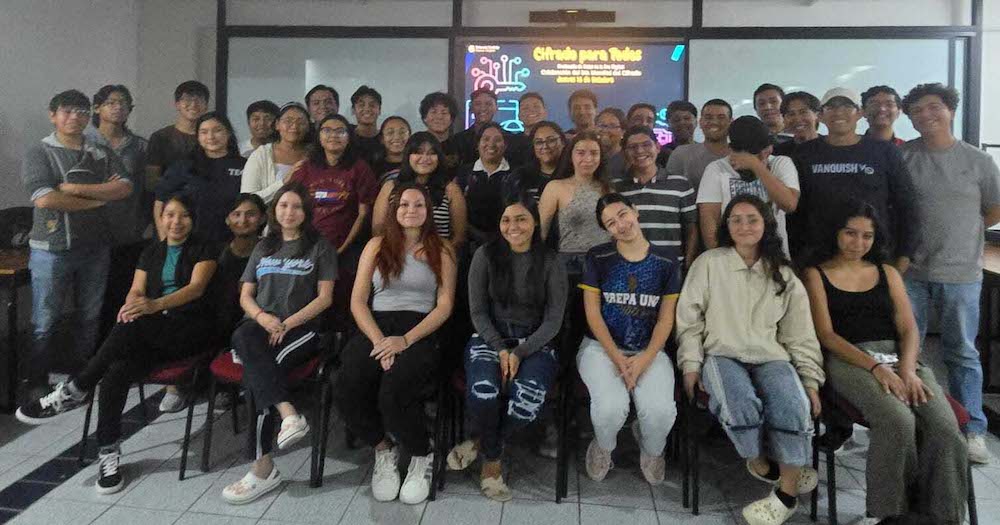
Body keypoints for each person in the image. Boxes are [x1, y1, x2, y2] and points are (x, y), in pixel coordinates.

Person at [16, 195, 217, 495]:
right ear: (160, 218)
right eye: (170, 215)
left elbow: (196, 289)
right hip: (149, 332)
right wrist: (132, 305)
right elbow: (135, 291)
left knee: (131, 325)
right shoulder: (151, 252)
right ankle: (108, 453)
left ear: (193, 219)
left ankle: (76, 388)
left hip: (189, 331)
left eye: (184, 215)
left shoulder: (205, 249)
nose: (176, 222)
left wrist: (152, 305)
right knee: (115, 372)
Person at [802, 202, 968, 524]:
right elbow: (827, 335)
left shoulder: (887, 272)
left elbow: (908, 328)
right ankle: (891, 513)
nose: (858, 242)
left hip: (899, 356)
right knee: (897, 419)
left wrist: (907, 369)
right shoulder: (815, 274)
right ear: (835, 233)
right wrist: (876, 368)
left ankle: (941, 515)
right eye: (850, 233)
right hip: (849, 358)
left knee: (945, 427)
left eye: (867, 236)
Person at [676, 194, 823, 525]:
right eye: (736, 219)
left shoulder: (783, 272)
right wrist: (690, 363)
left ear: (766, 225)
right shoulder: (709, 263)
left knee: (793, 405)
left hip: (771, 355)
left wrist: (810, 380)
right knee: (738, 403)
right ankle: (762, 463)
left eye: (752, 219)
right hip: (721, 353)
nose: (744, 226)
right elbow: (689, 320)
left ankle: (785, 496)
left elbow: (799, 333)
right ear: (726, 225)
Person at [335, 183, 457, 505]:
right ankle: (383, 449)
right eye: (404, 204)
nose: (410, 210)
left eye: (418, 205)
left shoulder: (442, 249)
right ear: (394, 209)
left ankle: (421, 454)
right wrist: (380, 342)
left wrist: (404, 341)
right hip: (376, 326)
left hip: (419, 328)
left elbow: (444, 306)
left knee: (394, 393)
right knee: (347, 386)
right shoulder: (376, 245)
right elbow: (358, 302)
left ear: (428, 211)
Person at [901, 82, 1000, 463]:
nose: (926, 115)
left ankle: (972, 429)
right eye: (917, 111)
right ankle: (919, 423)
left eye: (933, 107)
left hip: (961, 272)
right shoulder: (906, 156)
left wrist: (965, 237)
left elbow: (992, 210)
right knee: (911, 351)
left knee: (961, 352)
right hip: (912, 271)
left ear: (950, 110)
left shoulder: (978, 161)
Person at [446, 194, 567, 501]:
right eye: (506, 220)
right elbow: (477, 313)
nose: (513, 226)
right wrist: (501, 349)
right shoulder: (485, 256)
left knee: (526, 403)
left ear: (535, 222)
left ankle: (481, 444)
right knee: (483, 392)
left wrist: (520, 353)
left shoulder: (552, 261)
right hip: (490, 338)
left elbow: (553, 322)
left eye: (521, 218)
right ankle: (493, 464)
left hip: (536, 342)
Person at [222, 182, 336, 504]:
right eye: (284, 205)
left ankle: (262, 470)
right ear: (275, 211)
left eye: (297, 206)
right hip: (261, 326)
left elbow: (325, 298)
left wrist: (287, 323)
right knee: (244, 337)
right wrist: (263, 318)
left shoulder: (320, 247)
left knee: (258, 373)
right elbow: (245, 294)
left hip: (303, 329)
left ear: (306, 212)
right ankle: (288, 413)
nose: (290, 212)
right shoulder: (263, 247)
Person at [19, 89, 132, 399]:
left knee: (90, 316)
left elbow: (124, 186)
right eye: (67, 111)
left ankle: (80, 380)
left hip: (95, 247)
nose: (75, 117)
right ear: (52, 115)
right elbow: (45, 199)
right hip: (51, 248)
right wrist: (97, 201)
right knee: (45, 319)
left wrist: (77, 189)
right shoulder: (39, 152)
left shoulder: (98, 149)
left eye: (81, 112)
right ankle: (36, 382)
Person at [576, 192, 682, 486]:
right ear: (606, 230)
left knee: (659, 412)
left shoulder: (666, 261)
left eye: (622, 214)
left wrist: (645, 358)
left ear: (635, 211)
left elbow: (665, 318)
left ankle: (651, 450)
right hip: (601, 348)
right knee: (611, 408)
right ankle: (603, 446)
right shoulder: (599, 257)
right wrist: (618, 359)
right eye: (610, 223)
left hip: (650, 349)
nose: (620, 225)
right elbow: (593, 314)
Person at [790, 87, 916, 269]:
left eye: (847, 106)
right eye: (831, 107)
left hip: (872, 256)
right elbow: (795, 211)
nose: (839, 112)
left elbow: (907, 206)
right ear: (821, 116)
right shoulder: (804, 153)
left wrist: (903, 258)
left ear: (860, 113)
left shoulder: (884, 151)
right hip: (816, 258)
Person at [290, 114, 378, 331]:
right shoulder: (306, 167)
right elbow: (291, 204)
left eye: (340, 131)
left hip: (345, 246)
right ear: (319, 136)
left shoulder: (359, 168)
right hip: (307, 246)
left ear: (349, 137)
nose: (334, 136)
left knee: (342, 297)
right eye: (327, 130)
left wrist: (341, 249)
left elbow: (363, 213)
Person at [86, 85, 150, 342]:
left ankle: (117, 350)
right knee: (91, 301)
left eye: (124, 103)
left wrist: (144, 223)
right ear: (97, 107)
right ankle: (89, 359)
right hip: (89, 234)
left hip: (128, 233)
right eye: (112, 102)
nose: (118, 107)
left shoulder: (140, 146)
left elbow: (149, 190)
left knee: (122, 294)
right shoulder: (83, 141)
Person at [698, 116, 799, 256]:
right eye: (758, 152)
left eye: (766, 148)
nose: (767, 152)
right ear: (732, 150)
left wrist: (756, 165)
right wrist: (718, 259)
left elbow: (789, 204)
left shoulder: (781, 163)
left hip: (775, 257)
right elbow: (709, 219)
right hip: (730, 256)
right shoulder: (717, 168)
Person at [155, 112, 246, 246]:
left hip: (232, 244)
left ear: (229, 133)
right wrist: (165, 243)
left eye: (217, 130)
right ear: (197, 136)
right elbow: (160, 204)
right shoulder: (184, 166)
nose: (210, 136)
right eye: (204, 132)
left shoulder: (245, 166)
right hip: (189, 244)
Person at [612, 126, 698, 267]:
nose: (640, 151)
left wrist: (688, 265)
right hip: (628, 268)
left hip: (671, 268)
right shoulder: (616, 188)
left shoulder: (680, 184)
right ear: (624, 153)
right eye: (632, 147)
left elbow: (691, 229)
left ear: (657, 147)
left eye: (646, 145)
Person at [373, 132, 467, 247]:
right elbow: (378, 230)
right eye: (418, 152)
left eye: (432, 153)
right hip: (395, 257)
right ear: (408, 155)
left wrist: (441, 258)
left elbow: (459, 237)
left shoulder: (451, 189)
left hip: (438, 258)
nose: (425, 158)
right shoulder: (390, 187)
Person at [538, 131, 611, 278]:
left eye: (594, 153)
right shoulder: (555, 187)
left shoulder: (609, 189)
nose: (588, 158)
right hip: (569, 265)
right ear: (571, 156)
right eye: (581, 153)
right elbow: (541, 232)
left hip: (606, 262)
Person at [215, 194, 267, 337]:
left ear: (262, 218)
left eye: (250, 214)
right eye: (236, 214)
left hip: (256, 324)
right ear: (227, 219)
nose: (242, 220)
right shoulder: (216, 253)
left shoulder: (271, 254)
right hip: (217, 324)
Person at [145, 80, 209, 194]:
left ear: (206, 106)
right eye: (187, 99)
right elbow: (151, 181)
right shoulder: (160, 137)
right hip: (170, 204)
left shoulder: (212, 138)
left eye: (199, 99)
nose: (194, 104)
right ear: (177, 104)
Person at [241, 102, 311, 204]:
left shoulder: (315, 155)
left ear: (308, 126)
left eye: (301, 122)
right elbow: (247, 201)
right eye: (288, 121)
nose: (294, 126)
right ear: (277, 124)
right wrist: (283, 182)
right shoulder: (261, 155)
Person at [457, 122, 514, 246]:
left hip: (508, 242)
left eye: (497, 140)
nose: (491, 144)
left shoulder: (516, 174)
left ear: (505, 145)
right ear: (477, 144)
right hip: (470, 244)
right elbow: (457, 211)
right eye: (486, 139)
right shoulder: (464, 173)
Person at [665, 99, 732, 191]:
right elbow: (671, 194)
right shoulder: (680, 154)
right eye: (708, 117)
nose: (714, 122)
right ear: (700, 122)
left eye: (721, 117)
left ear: (731, 122)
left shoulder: (741, 154)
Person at [505, 120, 565, 203]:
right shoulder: (519, 178)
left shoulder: (574, 175)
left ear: (563, 142)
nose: (545, 146)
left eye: (551, 140)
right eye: (539, 142)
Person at [453, 87, 499, 166]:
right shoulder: (458, 140)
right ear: (471, 108)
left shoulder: (507, 138)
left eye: (488, 104)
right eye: (478, 104)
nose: (483, 108)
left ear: (496, 108)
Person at [418, 92, 461, 174]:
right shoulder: (416, 142)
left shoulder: (459, 144)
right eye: (434, 112)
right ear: (424, 118)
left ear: (451, 119)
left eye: (444, 113)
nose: (439, 117)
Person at [506, 92, 549, 167]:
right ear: (518, 115)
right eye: (525, 108)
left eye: (536, 106)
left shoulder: (557, 141)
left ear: (545, 112)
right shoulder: (510, 143)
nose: (531, 110)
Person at [773, 92, 821, 157]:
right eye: (791, 114)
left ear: (817, 115)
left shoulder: (832, 146)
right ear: (784, 119)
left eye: (803, 112)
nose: (797, 119)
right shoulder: (777, 153)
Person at [656, 100, 698, 167]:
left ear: (696, 122)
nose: (682, 123)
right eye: (676, 120)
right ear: (668, 124)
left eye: (687, 118)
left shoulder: (705, 151)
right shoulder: (660, 154)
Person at [371, 116, 410, 184]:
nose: (397, 137)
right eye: (390, 132)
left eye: (402, 132)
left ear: (410, 136)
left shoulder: (417, 163)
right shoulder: (373, 168)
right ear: (382, 139)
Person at [351, 85, 383, 164]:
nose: (367, 109)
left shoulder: (386, 140)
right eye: (361, 105)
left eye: (372, 105)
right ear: (353, 110)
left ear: (379, 110)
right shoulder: (347, 139)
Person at [596, 108, 626, 181]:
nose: (605, 130)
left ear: (623, 132)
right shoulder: (589, 158)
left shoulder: (627, 160)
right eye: (602, 125)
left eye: (612, 126)